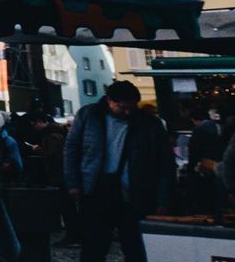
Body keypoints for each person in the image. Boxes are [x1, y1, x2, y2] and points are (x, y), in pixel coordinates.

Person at [66, 80, 173, 262]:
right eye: (123, 108)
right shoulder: (89, 115)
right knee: (94, 246)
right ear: (110, 101)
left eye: (132, 107)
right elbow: (71, 149)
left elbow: (165, 163)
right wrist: (73, 183)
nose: (128, 112)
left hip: (134, 194)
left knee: (135, 248)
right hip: (97, 190)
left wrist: (162, 198)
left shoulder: (150, 123)